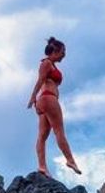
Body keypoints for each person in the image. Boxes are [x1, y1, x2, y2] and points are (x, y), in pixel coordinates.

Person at [27, 36, 81, 177]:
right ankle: (70, 160)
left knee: (42, 135)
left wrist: (35, 99)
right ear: (55, 51)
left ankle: (42, 167)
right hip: (48, 98)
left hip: (44, 100)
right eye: (63, 51)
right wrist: (33, 97)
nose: (64, 54)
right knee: (59, 131)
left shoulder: (50, 64)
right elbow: (40, 81)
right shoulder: (46, 63)